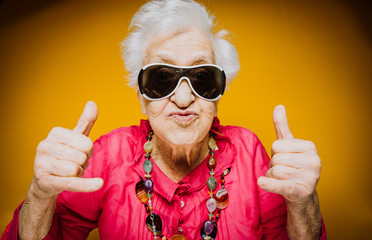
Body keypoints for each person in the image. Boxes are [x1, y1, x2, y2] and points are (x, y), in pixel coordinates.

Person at [1, 0, 326, 239]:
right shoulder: (108, 155)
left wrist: (303, 203)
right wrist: (40, 195)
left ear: (218, 92)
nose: (183, 99)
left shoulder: (250, 151)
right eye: (161, 78)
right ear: (142, 97)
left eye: (202, 77)